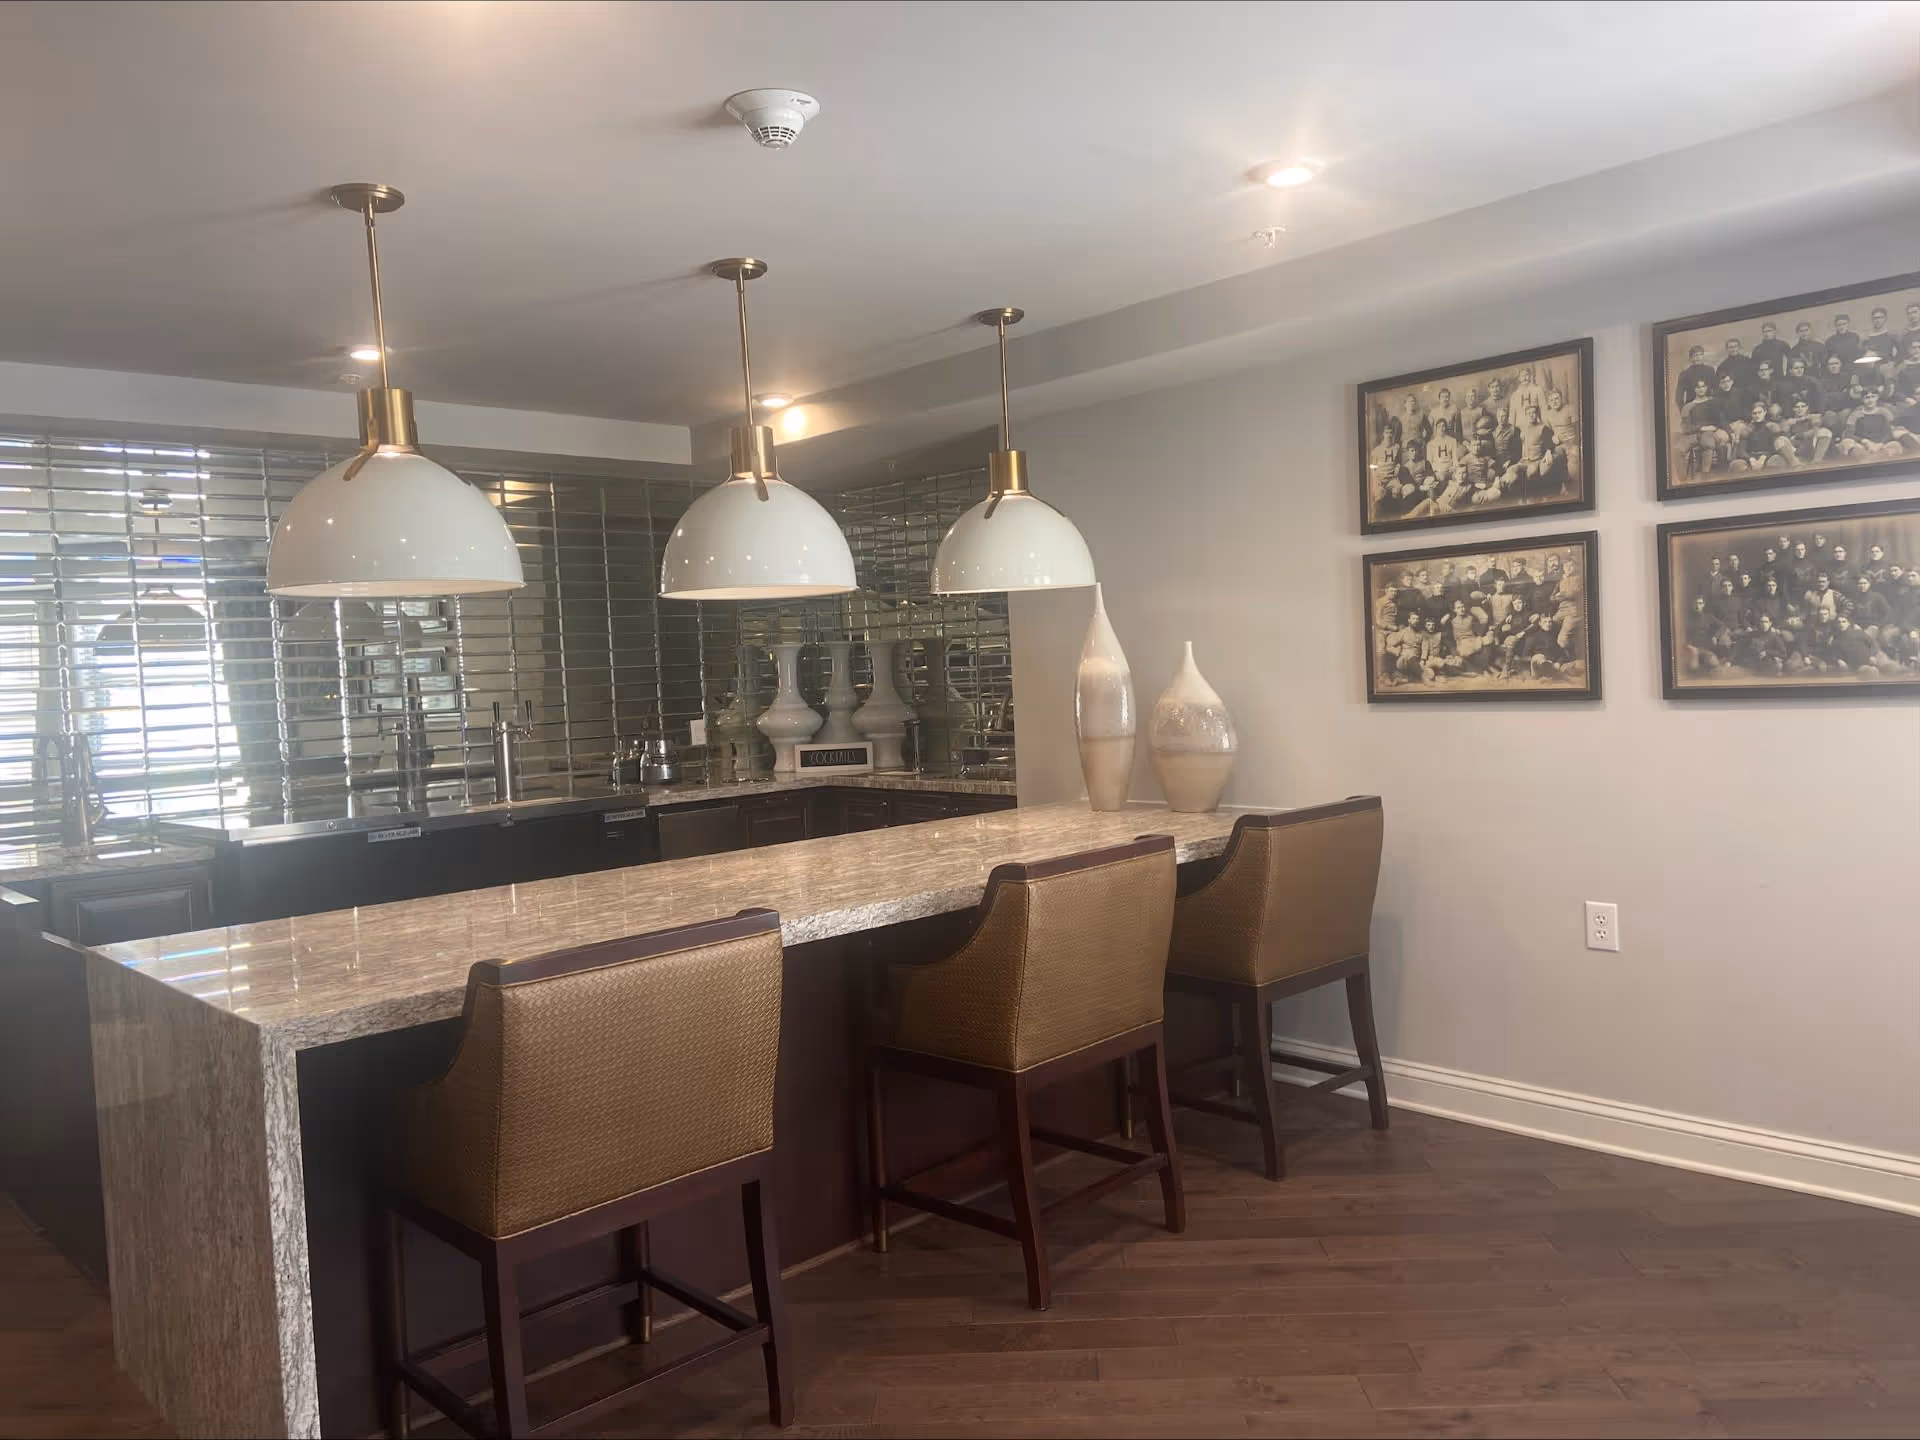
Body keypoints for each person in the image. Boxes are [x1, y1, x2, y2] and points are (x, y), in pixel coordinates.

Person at [1783, 398, 1833, 464]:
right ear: (1794, 409)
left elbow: (1816, 431)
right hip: (1798, 450)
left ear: (1807, 407)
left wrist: (1798, 436)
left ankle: (1816, 461)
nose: (1800, 409)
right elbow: (1787, 438)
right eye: (1797, 407)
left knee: (1825, 432)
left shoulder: (1813, 418)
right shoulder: (1790, 422)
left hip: (1812, 447)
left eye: (1803, 406)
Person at [1675, 345, 1717, 409]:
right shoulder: (1685, 374)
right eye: (1695, 355)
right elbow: (1679, 397)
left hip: (1708, 407)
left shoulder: (1710, 370)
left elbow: (1715, 389)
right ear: (1691, 357)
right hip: (1692, 408)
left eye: (1700, 355)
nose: (1698, 357)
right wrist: (1683, 412)